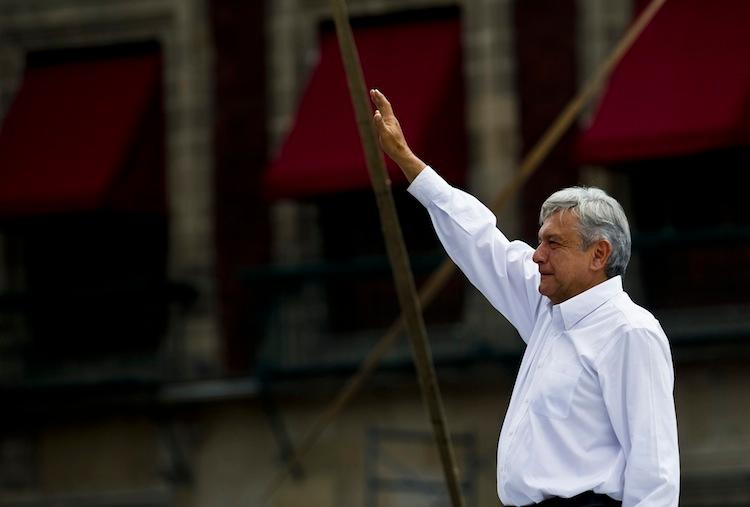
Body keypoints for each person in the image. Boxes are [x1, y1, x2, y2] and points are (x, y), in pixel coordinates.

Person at [369, 89, 679, 507]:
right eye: (539, 242)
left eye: (554, 244)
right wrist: (408, 160)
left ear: (599, 254)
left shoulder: (631, 333)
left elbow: (656, 474)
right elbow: (480, 240)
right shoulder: (545, 309)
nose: (537, 255)